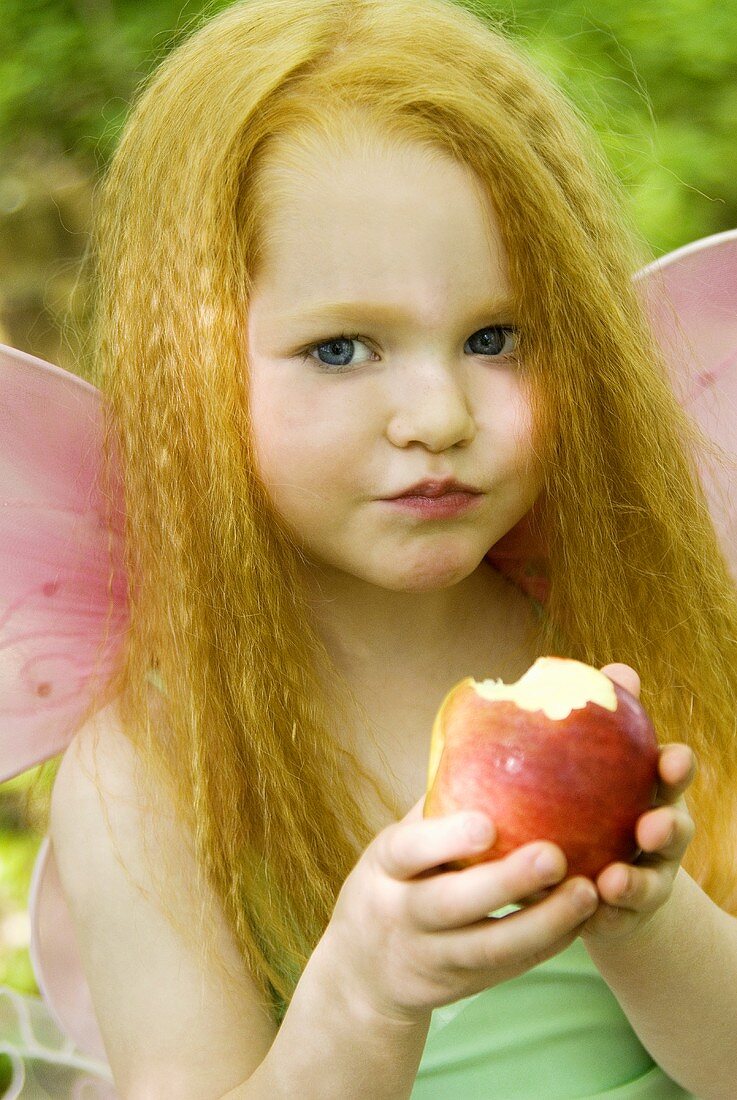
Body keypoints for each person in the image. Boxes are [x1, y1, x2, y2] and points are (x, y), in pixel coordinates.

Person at [5, 0, 737, 1095]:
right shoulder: (157, 764)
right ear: (191, 376)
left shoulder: (633, 645)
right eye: (340, 348)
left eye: (495, 336)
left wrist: (648, 911)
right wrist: (366, 987)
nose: (435, 411)